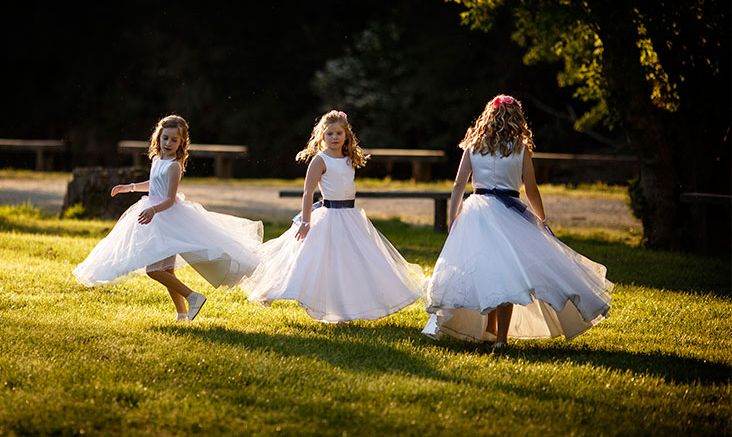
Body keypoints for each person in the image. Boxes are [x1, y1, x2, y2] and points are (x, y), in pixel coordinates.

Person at [423, 95, 612, 351]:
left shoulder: (473, 146)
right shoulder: (520, 149)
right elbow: (531, 189)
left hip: (476, 214)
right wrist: (541, 218)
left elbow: (459, 185)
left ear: (488, 117)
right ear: (516, 119)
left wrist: (453, 218)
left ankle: (490, 331)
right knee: (507, 274)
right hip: (510, 214)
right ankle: (499, 337)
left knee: (488, 272)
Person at [73, 115, 263, 321]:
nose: (168, 143)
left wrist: (153, 211)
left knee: (154, 270)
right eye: (165, 138)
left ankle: (193, 296)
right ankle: (182, 314)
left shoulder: (174, 166)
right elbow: (155, 183)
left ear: (181, 143)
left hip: (167, 219)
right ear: (158, 138)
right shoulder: (157, 159)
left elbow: (169, 199)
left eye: (174, 140)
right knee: (167, 270)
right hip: (156, 215)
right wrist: (131, 187)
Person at [240, 110, 424, 322]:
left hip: (351, 216)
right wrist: (306, 222)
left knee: (355, 260)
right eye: (329, 134)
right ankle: (283, 291)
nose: (334, 137)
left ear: (346, 135)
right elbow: (308, 192)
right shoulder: (320, 160)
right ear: (322, 136)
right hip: (329, 216)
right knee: (315, 261)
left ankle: (348, 306)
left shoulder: (348, 158)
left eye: (338, 133)